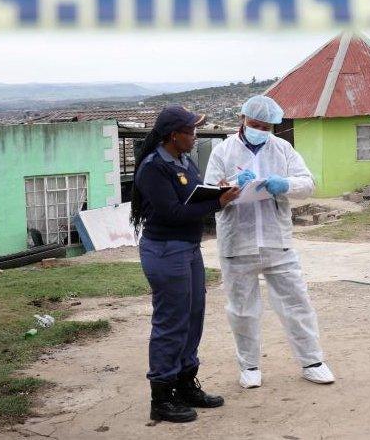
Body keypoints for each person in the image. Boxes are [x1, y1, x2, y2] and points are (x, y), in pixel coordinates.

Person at [204, 95, 335, 389]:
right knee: (242, 308)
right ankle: (249, 366)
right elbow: (210, 192)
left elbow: (308, 183)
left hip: (278, 241)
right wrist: (233, 187)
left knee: (297, 303)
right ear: (242, 118)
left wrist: (284, 184)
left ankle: (312, 361)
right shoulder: (223, 151)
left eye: (266, 126)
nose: (260, 130)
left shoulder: (282, 149)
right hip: (237, 243)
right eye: (254, 124)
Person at [130, 105, 241, 423]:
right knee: (171, 322)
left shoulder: (182, 160)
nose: (196, 136)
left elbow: (191, 195)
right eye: (191, 131)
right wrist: (217, 203)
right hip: (165, 251)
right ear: (172, 135)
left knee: (193, 317)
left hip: (188, 249)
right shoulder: (153, 167)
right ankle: (162, 397)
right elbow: (172, 213)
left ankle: (185, 383)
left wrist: (218, 193)